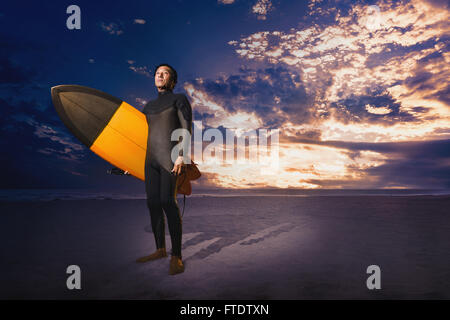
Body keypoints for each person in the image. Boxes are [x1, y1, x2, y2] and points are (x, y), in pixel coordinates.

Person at [136, 63, 192, 276]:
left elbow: (187, 128)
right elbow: (142, 135)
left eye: (165, 73)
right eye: (157, 73)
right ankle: (160, 249)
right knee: (153, 203)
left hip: (170, 157)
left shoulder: (179, 100)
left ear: (173, 80)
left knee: (168, 202)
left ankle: (176, 256)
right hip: (150, 159)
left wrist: (181, 156)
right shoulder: (148, 106)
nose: (160, 75)